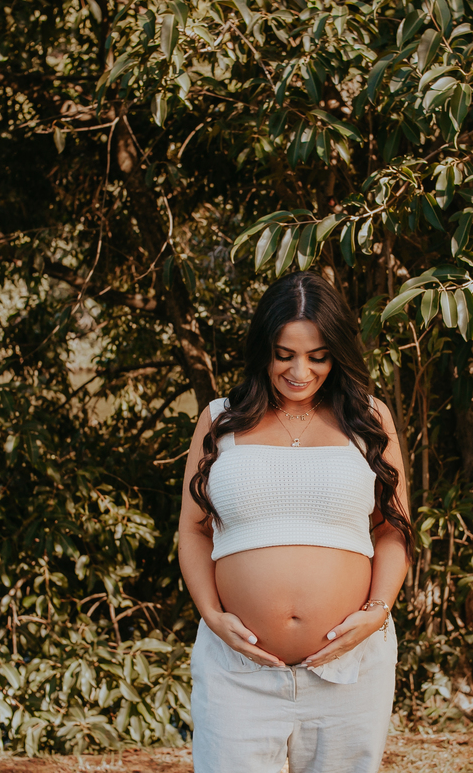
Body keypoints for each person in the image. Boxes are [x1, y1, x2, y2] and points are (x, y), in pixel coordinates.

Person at [179, 271, 413, 773]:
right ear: (263, 348)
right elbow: (194, 531)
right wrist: (213, 617)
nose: (300, 371)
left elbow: (394, 529)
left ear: (338, 353)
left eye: (318, 355)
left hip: (349, 668)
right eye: (284, 354)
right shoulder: (219, 420)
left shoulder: (369, 419)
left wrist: (377, 609)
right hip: (237, 668)